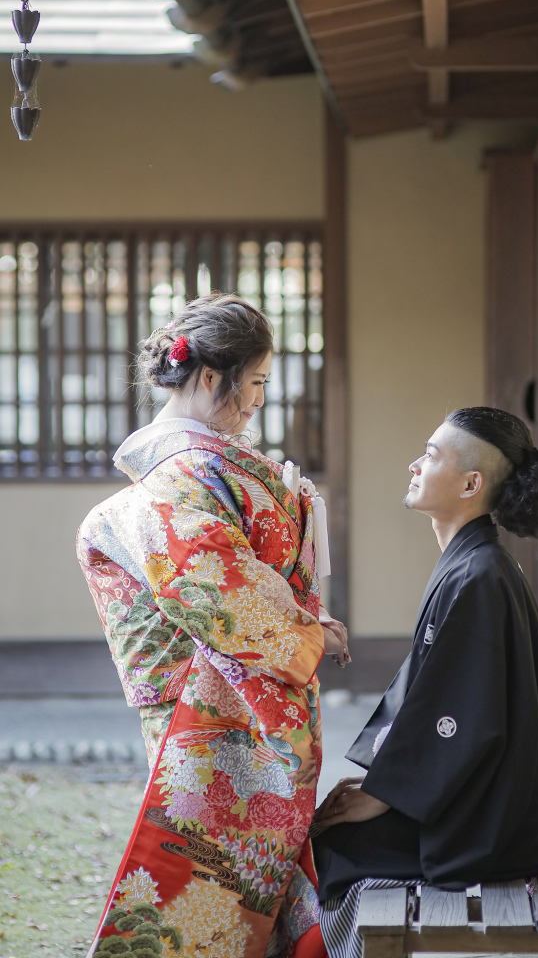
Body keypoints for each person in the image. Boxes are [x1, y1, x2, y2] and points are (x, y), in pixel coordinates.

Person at [77, 294, 347, 958]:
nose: (258, 398)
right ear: (207, 378)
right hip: (203, 704)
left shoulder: (204, 463)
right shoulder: (180, 474)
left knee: (255, 869)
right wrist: (305, 636)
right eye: (254, 381)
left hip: (227, 687)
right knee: (212, 876)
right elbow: (210, 586)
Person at [312, 407, 538, 958]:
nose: (414, 464)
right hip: (492, 796)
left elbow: (461, 719)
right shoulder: (475, 563)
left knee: (334, 844)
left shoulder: (479, 574)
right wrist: (383, 783)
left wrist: (385, 795)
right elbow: (433, 697)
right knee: (335, 833)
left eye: (431, 456)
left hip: (501, 823)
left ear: (470, 484)